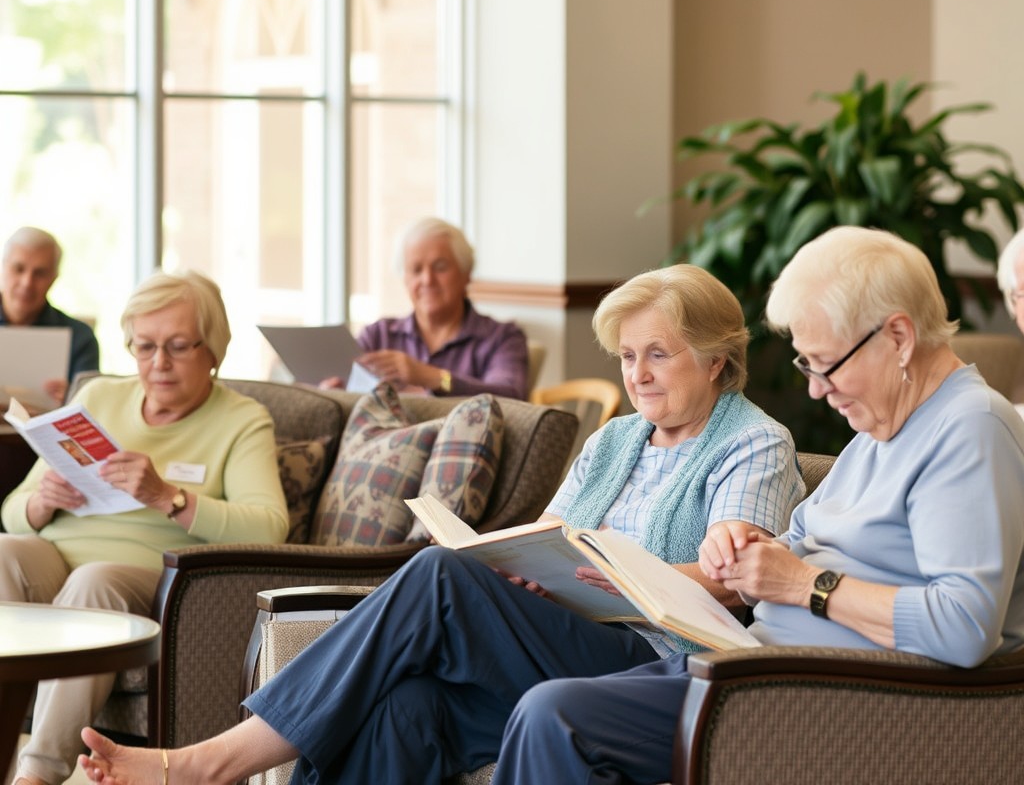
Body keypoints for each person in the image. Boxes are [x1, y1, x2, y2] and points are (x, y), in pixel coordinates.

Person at [78, 263, 804, 785]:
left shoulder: (752, 442)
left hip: (655, 666)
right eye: (625, 357)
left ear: (715, 360)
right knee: (408, 707)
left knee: (436, 575)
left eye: (657, 354)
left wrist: (614, 577)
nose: (637, 374)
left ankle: (209, 764)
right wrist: (519, 562)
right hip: (572, 638)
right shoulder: (616, 438)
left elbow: (733, 583)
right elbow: (549, 533)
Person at [473, 225, 1024, 784]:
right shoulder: (880, 432)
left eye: (824, 362)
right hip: (758, 666)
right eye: (806, 365)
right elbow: (798, 547)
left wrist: (801, 585)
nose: (815, 389)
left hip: (836, 698)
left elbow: (964, 624)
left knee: (554, 717)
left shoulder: (970, 427)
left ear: (899, 338)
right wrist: (748, 553)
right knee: (531, 709)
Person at [2, 270, 289, 785]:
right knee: (3, 550)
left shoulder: (243, 420)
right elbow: (12, 508)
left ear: (213, 348)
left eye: (178, 346)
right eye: (144, 346)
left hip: (148, 576)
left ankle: (37, 774)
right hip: (57, 554)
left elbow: (270, 529)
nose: (158, 364)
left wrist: (169, 498)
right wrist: (40, 503)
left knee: (95, 580)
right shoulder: (99, 398)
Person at [321, 217, 529, 399]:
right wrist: (330, 392)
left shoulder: (502, 338)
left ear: (466, 274)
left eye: (440, 267)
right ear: (405, 279)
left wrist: (431, 377)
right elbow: (343, 383)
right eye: (416, 269)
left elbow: (511, 396)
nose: (427, 279)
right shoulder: (379, 335)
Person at [0, 226, 100, 404]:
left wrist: (73, 398)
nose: (27, 283)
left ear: (54, 277)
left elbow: (92, 408)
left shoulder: (80, 338)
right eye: (18, 269)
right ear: (3, 267)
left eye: (39, 273)